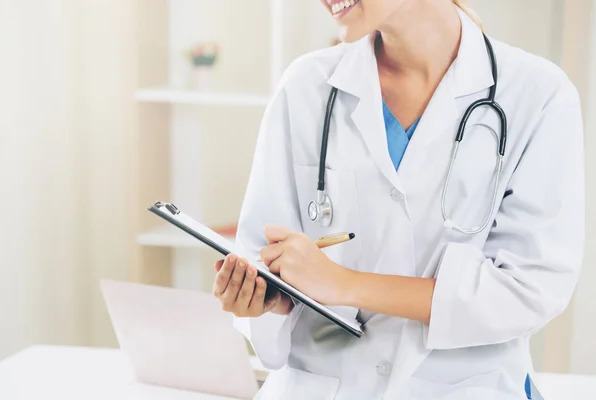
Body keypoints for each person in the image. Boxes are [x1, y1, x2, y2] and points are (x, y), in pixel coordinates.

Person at [212, 1, 585, 399]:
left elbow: (526, 289)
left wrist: (345, 284)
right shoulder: (307, 85)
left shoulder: (538, 94)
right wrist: (269, 298)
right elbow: (265, 250)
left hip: (465, 386)